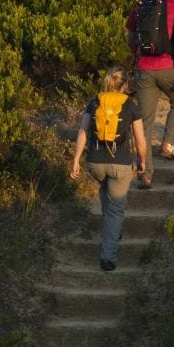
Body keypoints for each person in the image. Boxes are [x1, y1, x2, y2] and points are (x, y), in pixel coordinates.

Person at [71, 68, 147, 271]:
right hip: (120, 164)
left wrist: (76, 159)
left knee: (106, 193)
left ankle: (112, 232)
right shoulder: (130, 105)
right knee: (116, 208)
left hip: (95, 163)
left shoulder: (95, 102)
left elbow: (83, 131)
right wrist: (143, 162)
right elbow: (140, 141)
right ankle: (108, 257)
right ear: (124, 86)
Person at [127, 0, 174, 190]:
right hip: (167, 68)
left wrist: (137, 57)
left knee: (144, 122)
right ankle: (168, 143)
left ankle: (145, 174)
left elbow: (131, 38)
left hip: (144, 69)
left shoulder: (139, 5)